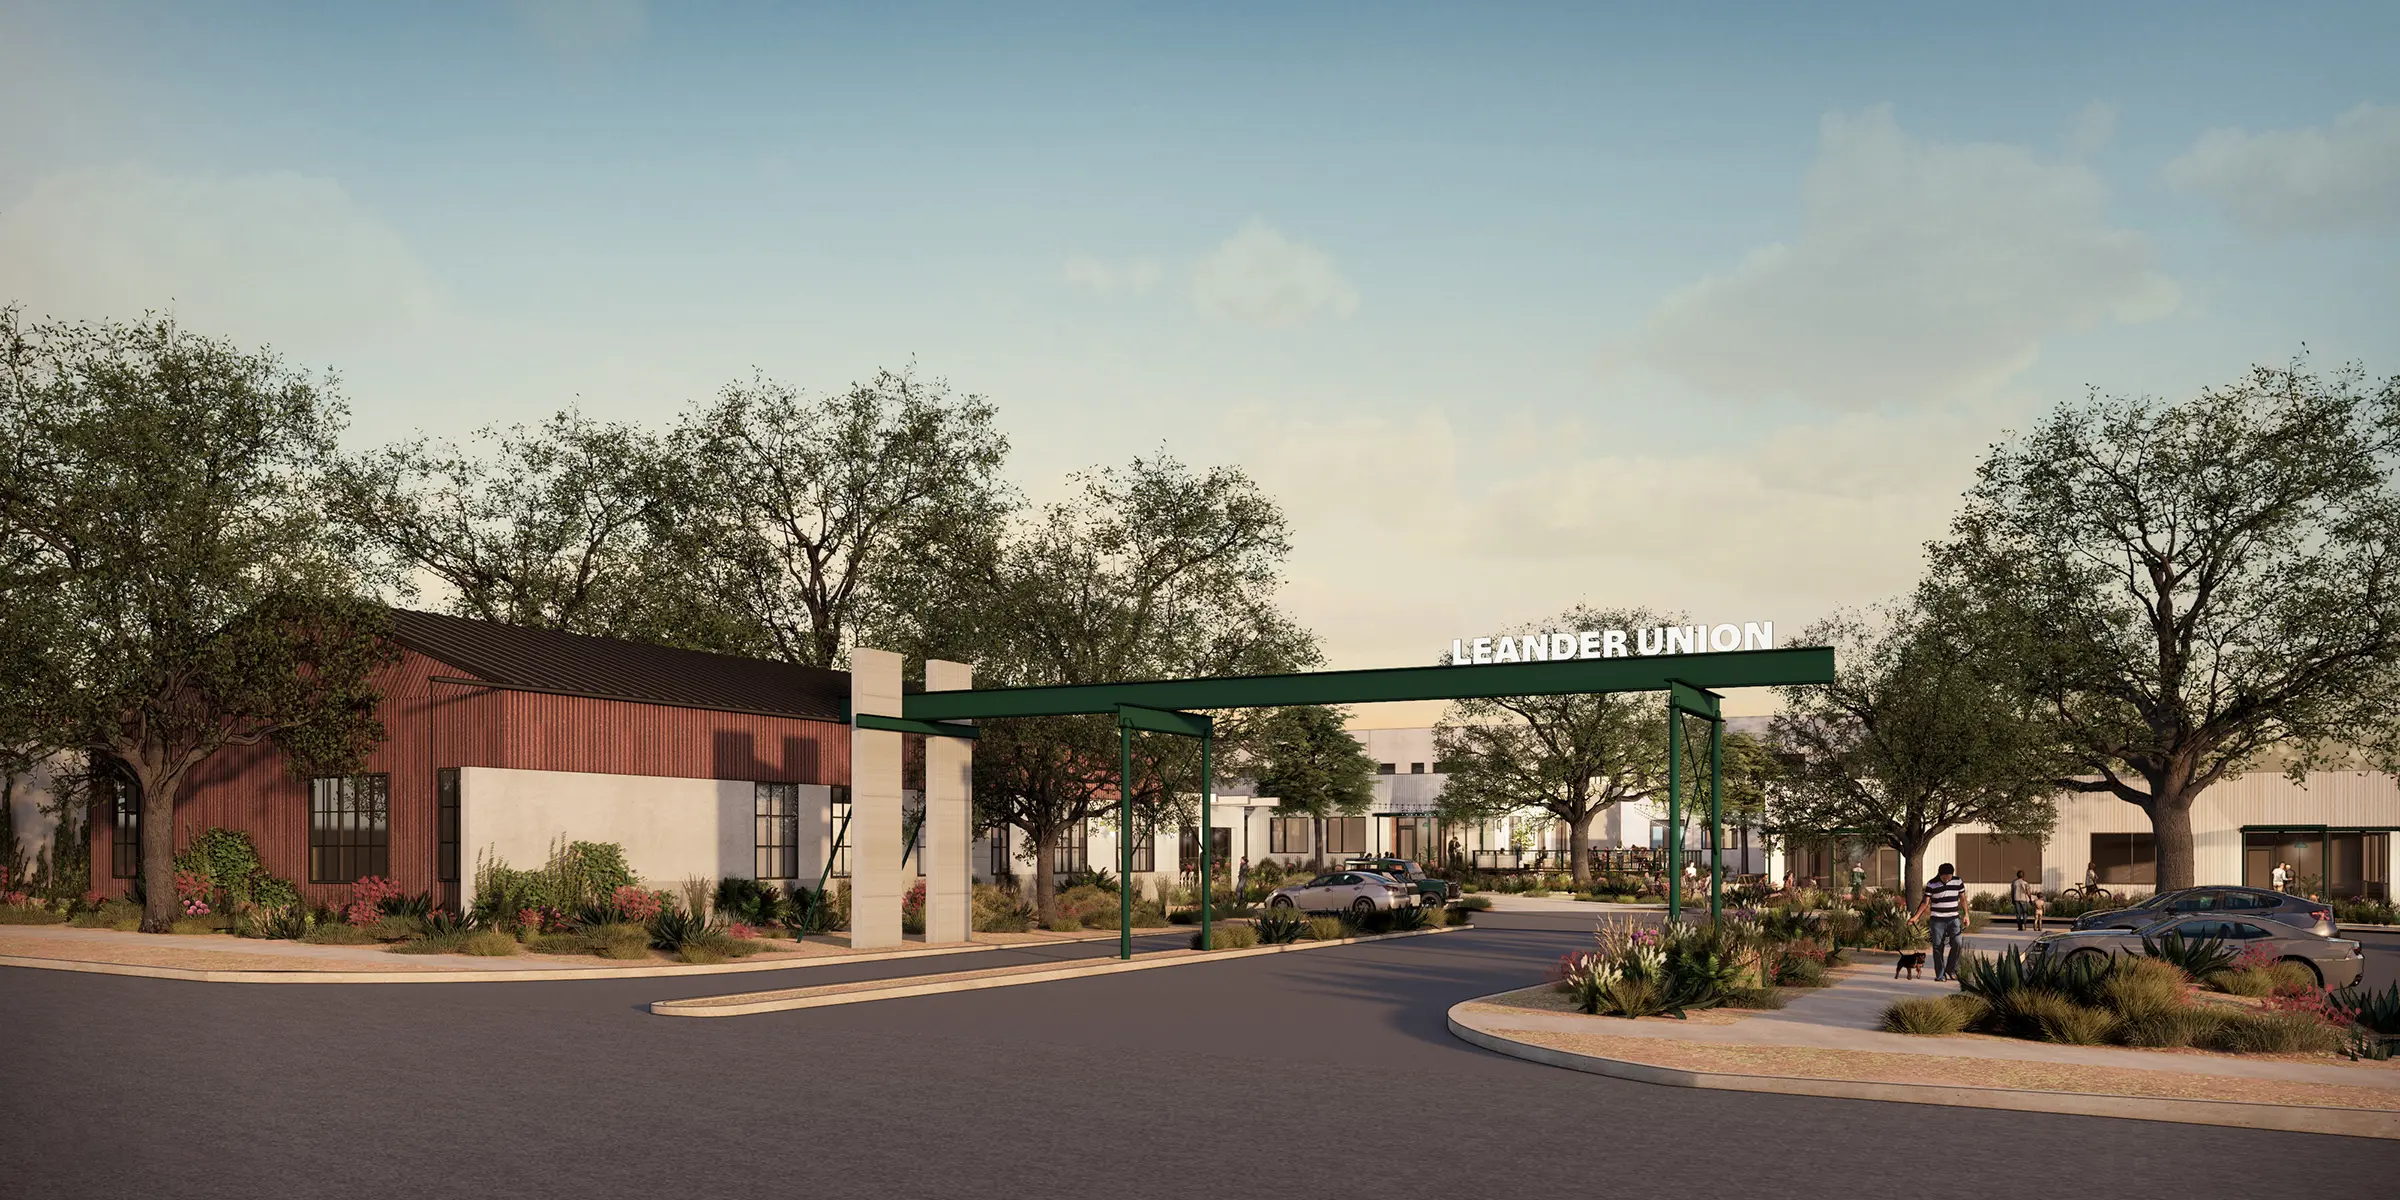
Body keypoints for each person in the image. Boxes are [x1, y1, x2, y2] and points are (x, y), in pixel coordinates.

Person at [1913, 863, 1969, 983]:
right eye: (1945, 877)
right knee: (1938, 947)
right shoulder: (1932, 884)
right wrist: (1915, 917)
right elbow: (1925, 902)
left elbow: (1963, 899)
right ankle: (1940, 974)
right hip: (1937, 920)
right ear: (1939, 874)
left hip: (1954, 919)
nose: (1947, 879)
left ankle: (1951, 969)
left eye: (1949, 876)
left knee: (1958, 943)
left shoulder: (1958, 881)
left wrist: (1966, 915)